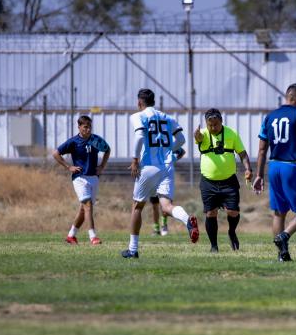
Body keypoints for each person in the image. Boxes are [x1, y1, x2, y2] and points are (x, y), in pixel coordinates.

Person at [122, 88, 199, 258]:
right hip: (167, 166)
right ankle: (187, 220)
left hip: (148, 166)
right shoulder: (167, 117)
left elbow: (141, 137)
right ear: (153, 101)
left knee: (137, 207)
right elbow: (181, 140)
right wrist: (167, 151)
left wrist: (135, 159)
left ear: (139, 102)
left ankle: (132, 250)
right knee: (166, 206)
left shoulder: (137, 116)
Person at [253, 83, 296, 262]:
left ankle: (281, 255)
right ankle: (285, 235)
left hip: (273, 166)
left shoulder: (270, 117)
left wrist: (259, 175)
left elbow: (261, 150)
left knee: (279, 212)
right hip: (292, 166)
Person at [193, 108, 253, 253]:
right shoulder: (203, 134)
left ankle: (232, 232)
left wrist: (248, 169)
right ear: (206, 124)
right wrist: (196, 135)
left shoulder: (231, 134)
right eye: (210, 125)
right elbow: (199, 139)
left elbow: (243, 154)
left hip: (229, 181)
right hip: (208, 182)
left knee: (233, 212)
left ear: (221, 122)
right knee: (210, 213)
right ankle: (214, 246)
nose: (213, 128)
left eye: (216, 124)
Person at [52, 115, 111, 245]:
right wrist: (69, 167)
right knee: (88, 205)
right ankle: (93, 236)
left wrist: (102, 166)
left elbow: (107, 150)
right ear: (79, 127)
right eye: (85, 127)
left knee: (84, 209)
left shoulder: (95, 140)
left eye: (89, 127)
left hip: (93, 178)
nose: (88, 130)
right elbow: (55, 153)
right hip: (79, 178)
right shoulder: (73, 142)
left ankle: (71, 236)